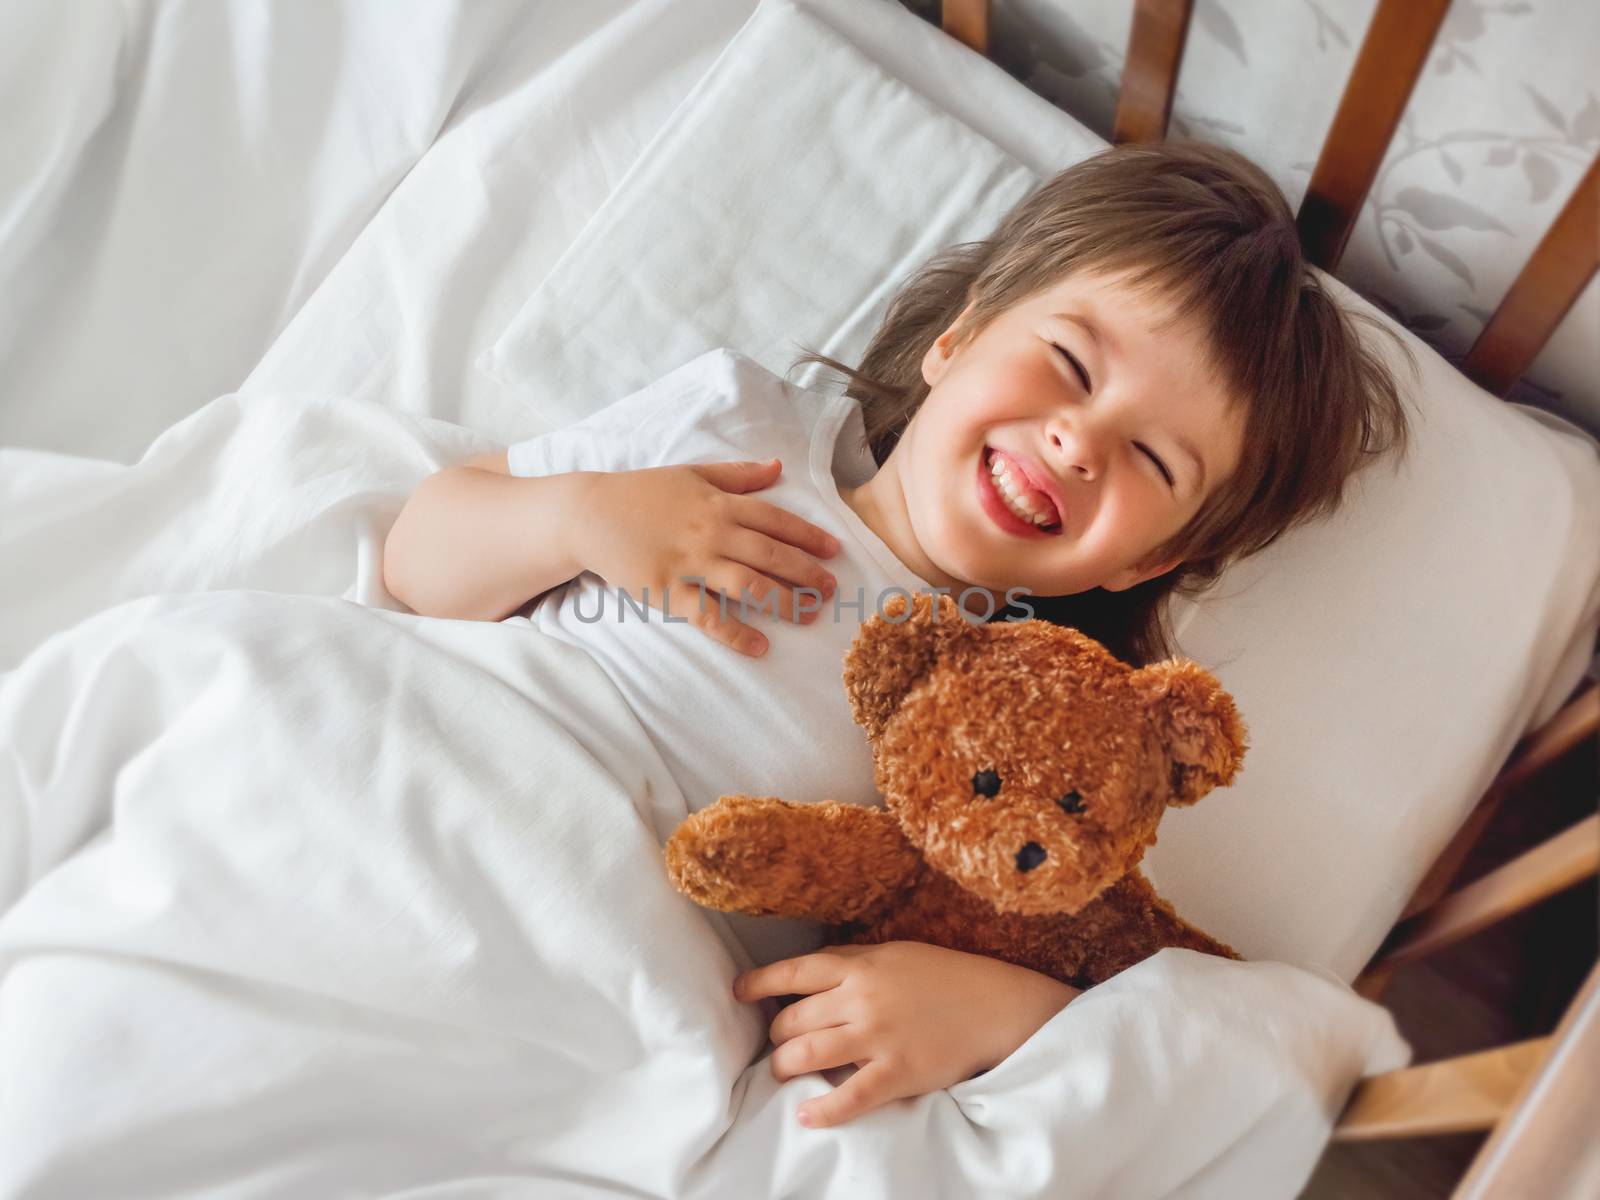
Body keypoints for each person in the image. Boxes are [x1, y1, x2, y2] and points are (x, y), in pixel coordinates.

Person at [382, 140, 1415, 1130]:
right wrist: (575, 515)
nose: (1076, 439)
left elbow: (1113, 988)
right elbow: (417, 566)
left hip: (604, 972)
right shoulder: (737, 429)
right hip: (440, 785)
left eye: (1150, 457)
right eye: (1067, 360)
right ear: (957, 339)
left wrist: (997, 1012)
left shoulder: (1053, 724)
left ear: (1141, 564)